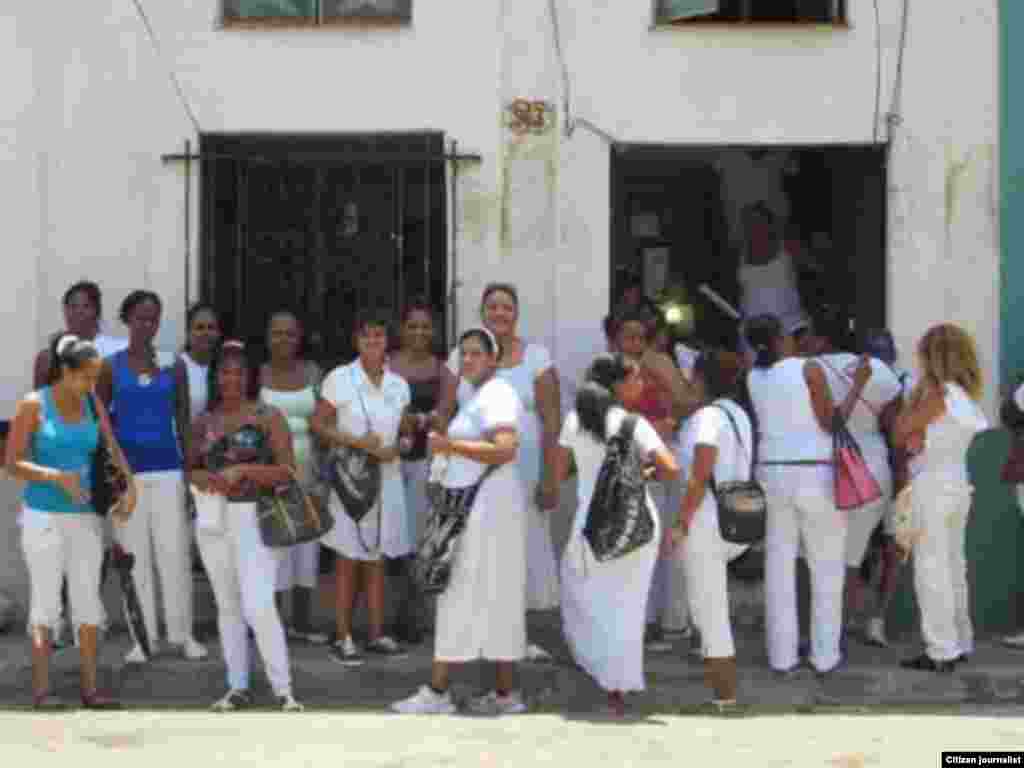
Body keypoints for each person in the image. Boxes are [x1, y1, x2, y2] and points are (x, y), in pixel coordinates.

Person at [392, 328, 527, 715]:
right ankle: (504, 693)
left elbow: (505, 449)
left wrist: (449, 445)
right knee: (491, 594)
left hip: (486, 509)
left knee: (458, 593)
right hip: (477, 507)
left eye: (476, 353)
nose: (468, 360)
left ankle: (438, 692)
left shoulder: (498, 394)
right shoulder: (477, 395)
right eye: (463, 353)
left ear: (493, 359)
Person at [7, 334, 137, 708]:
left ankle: (91, 690)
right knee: (46, 602)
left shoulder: (93, 403)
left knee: (88, 602)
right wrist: (55, 477)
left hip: (87, 518)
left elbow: (112, 447)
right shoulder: (34, 404)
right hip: (43, 517)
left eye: (95, 378)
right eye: (85, 377)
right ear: (64, 371)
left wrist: (130, 488)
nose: (90, 385)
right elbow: (12, 463)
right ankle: (42, 691)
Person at [441, 283, 561, 661]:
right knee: (478, 552)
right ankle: (481, 634)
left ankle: (517, 636)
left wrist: (551, 476)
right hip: (471, 474)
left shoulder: (537, 357)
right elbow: (444, 414)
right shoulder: (461, 356)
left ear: (516, 314)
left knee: (521, 550)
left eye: (507, 307)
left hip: (523, 471)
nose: (499, 313)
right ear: (482, 312)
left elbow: (552, 421)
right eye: (492, 307)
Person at [745, 314, 870, 676]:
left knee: (778, 566)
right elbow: (832, 422)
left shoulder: (754, 376)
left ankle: (781, 656)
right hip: (814, 473)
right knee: (826, 566)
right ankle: (824, 655)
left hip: (771, 474)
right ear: (780, 338)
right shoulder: (808, 368)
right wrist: (858, 385)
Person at [554, 354, 679, 717]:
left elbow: (559, 471)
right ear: (618, 386)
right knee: (627, 606)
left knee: (586, 598)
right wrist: (639, 473)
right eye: (636, 378)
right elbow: (671, 469)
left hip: (591, 523)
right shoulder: (633, 423)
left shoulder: (574, 421)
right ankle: (617, 687)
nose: (641, 384)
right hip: (634, 523)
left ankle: (597, 668)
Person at [188, 340, 304, 711]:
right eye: (225, 372)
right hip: (213, 518)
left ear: (250, 376)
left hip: (257, 517)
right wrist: (205, 478)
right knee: (228, 606)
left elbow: (287, 471)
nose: (232, 379)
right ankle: (236, 687)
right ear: (215, 377)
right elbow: (190, 469)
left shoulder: (268, 416)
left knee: (258, 604)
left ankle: (283, 690)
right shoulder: (203, 421)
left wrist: (244, 471)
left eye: (239, 372)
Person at [97, 290, 207, 663]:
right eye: (140, 318)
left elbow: (184, 422)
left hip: (168, 472)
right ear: (127, 320)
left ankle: (183, 635)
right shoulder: (109, 367)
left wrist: (190, 473)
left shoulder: (173, 365)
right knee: (135, 559)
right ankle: (143, 640)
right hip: (127, 478)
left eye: (153, 318)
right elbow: (101, 425)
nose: (147, 325)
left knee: (174, 555)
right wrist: (110, 475)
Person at [312, 310, 412, 665]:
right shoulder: (340, 379)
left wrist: (400, 446)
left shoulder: (399, 385)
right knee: (347, 556)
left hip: (388, 478)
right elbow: (319, 424)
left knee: (376, 556)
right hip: (351, 481)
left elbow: (406, 432)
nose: (373, 341)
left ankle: (376, 633)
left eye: (379, 335)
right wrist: (358, 443)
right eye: (366, 335)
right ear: (356, 340)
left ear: (387, 341)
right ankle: (342, 636)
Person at [32, 281, 128, 647]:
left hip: (91, 459)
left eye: (85, 305)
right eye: (71, 305)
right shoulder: (46, 358)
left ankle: (87, 616)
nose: (77, 312)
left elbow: (105, 411)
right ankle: (53, 618)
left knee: (91, 543)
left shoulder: (106, 358)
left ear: (96, 312)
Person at [798, 328, 903, 646]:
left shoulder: (808, 368)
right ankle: (836, 636)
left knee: (814, 556)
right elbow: (895, 432)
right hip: (870, 472)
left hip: (821, 467)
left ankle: (810, 633)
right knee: (852, 559)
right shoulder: (883, 374)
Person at [893, 324, 987, 672]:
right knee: (954, 567)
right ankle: (960, 641)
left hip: (931, 485)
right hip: (958, 484)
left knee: (931, 569)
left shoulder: (935, 394)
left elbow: (900, 433)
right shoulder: (964, 396)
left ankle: (941, 650)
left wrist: (913, 415)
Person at [668, 350, 755, 708]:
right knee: (709, 609)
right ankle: (722, 692)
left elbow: (702, 472)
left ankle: (725, 697)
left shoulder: (707, 417)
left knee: (710, 613)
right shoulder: (738, 414)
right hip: (736, 518)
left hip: (707, 521)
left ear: (702, 380)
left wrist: (681, 522)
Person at [613, 307, 700, 648]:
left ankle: (669, 621)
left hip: (661, 464)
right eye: (628, 336)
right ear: (616, 339)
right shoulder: (609, 371)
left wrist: (668, 422)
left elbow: (686, 402)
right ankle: (640, 621)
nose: (634, 343)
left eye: (640, 337)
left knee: (665, 543)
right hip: (628, 462)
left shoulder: (658, 365)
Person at [388, 298, 457, 644]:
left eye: (425, 327)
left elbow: (443, 416)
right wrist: (418, 420)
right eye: (412, 326)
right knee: (387, 538)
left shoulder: (442, 370)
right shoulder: (386, 364)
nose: (419, 332)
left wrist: (414, 420)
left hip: (423, 464)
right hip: (387, 461)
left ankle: (412, 615)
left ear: (434, 331)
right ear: (402, 330)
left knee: (417, 539)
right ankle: (383, 616)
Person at [258, 310, 329, 645]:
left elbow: (325, 422)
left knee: (306, 551)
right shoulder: (257, 374)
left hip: (308, 474)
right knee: (275, 552)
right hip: (270, 478)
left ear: (299, 337)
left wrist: (324, 473)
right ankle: (274, 625)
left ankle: (302, 622)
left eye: (290, 333)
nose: (283, 339)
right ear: (267, 337)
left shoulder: (313, 373)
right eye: (277, 333)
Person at [736, 204, 813, 359]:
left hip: (789, 331)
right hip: (754, 336)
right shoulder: (740, 256)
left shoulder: (788, 250)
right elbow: (742, 296)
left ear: (770, 224)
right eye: (749, 223)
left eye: (759, 221)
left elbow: (813, 273)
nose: (755, 227)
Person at [177, 304, 221, 419]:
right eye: (200, 328)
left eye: (211, 327)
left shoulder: (224, 369)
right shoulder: (176, 367)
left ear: (218, 333)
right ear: (188, 333)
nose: (206, 333)